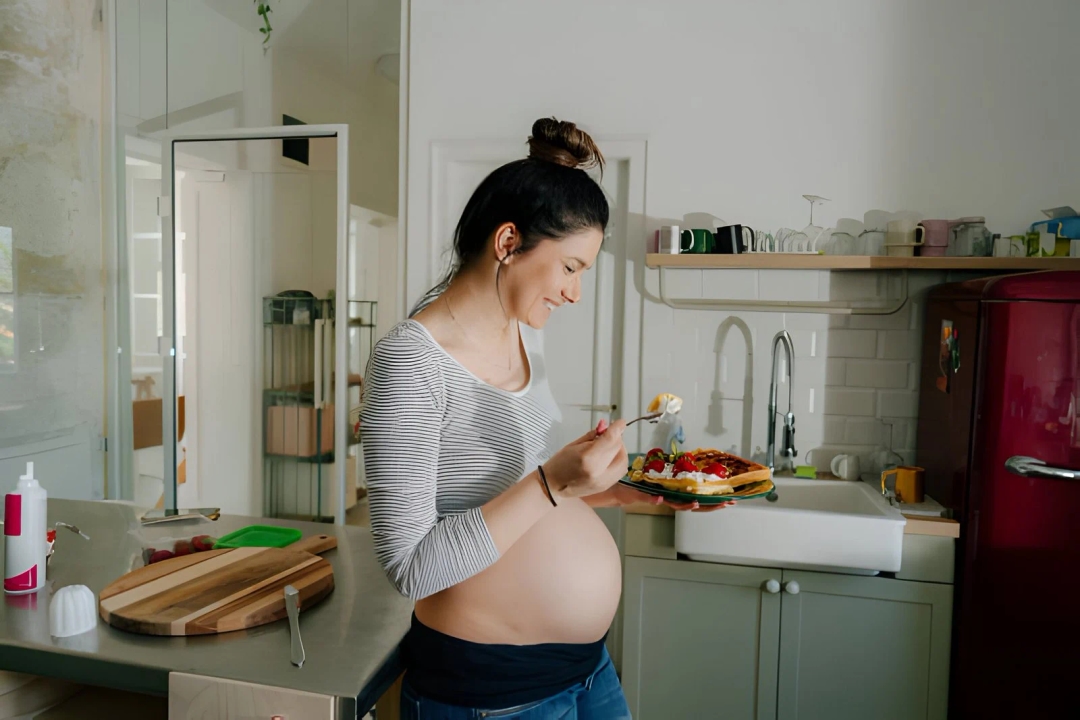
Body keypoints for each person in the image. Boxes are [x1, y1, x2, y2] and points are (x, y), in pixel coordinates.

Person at [361, 118, 728, 719]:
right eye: (571, 268)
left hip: (587, 671)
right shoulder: (410, 362)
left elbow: (517, 495)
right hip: (491, 691)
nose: (575, 293)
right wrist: (554, 481)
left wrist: (625, 492)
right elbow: (411, 567)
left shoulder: (520, 335)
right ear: (508, 244)